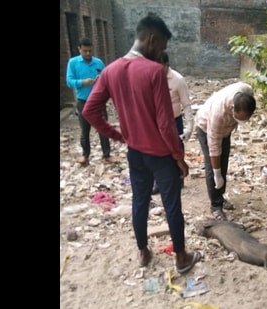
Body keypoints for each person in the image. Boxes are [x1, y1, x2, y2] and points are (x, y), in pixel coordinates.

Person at [82, 12, 202, 273]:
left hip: (135, 153)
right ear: (151, 40)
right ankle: (181, 257)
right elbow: (165, 123)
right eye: (161, 47)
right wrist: (179, 157)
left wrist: (118, 135)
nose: (161, 54)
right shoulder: (155, 71)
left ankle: (143, 252)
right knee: (172, 206)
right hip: (160, 155)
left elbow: (89, 111)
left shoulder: (110, 70)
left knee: (140, 201)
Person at [194, 82, 256, 221]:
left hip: (226, 129)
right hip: (206, 127)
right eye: (239, 118)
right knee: (214, 167)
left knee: (224, 161)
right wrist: (217, 174)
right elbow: (214, 148)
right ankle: (215, 206)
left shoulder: (246, 91)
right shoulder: (218, 113)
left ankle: (220, 197)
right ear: (233, 109)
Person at [65, 37, 116, 166]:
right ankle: (85, 155)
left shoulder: (98, 63)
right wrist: (82, 82)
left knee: (103, 127)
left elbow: (107, 79)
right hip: (83, 101)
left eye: (89, 51)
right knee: (85, 129)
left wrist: (101, 80)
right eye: (85, 51)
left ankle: (107, 154)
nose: (88, 53)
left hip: (99, 101)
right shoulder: (73, 63)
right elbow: (69, 81)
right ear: (79, 49)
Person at [152, 51, 194, 194]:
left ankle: (179, 178)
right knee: (157, 151)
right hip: (156, 121)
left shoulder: (177, 80)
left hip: (174, 121)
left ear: (166, 65)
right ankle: (158, 182)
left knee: (176, 148)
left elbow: (186, 104)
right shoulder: (151, 78)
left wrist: (189, 126)